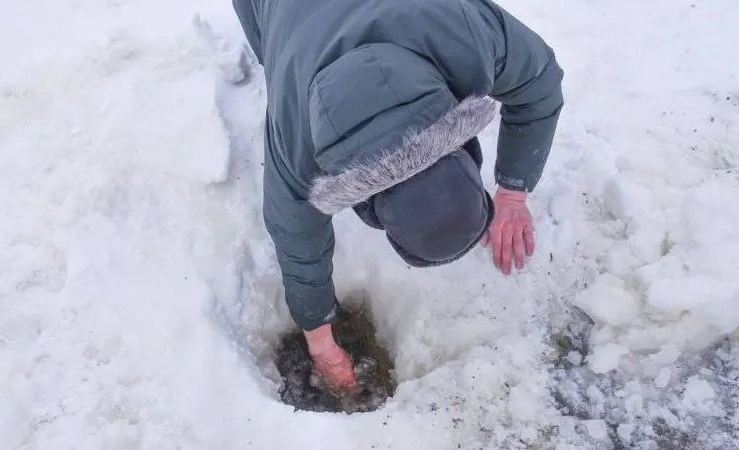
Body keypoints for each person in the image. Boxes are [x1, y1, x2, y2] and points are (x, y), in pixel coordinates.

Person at [232, 0, 564, 390]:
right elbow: (297, 237)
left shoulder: (462, 35)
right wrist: (320, 344)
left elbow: (538, 81)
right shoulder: (295, 132)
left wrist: (513, 191)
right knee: (276, 47)